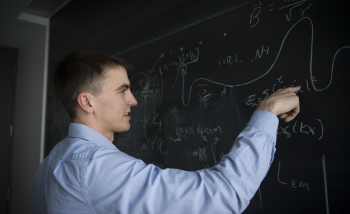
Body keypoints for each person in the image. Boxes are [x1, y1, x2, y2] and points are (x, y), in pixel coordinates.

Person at [33, 51, 300, 214]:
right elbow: (221, 196)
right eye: (122, 90)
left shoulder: (52, 161)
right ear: (87, 102)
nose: (134, 100)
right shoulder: (94, 169)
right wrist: (268, 111)